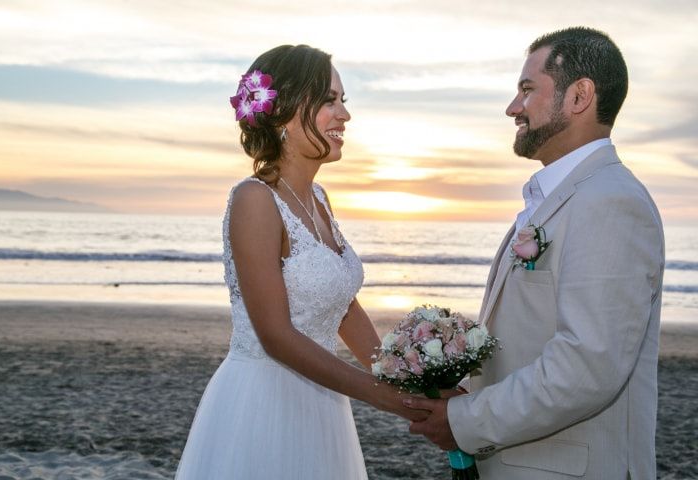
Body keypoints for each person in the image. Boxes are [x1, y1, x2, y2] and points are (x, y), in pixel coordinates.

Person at [405, 27, 665, 479]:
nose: (512, 107)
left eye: (527, 90)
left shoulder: (609, 202)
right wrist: (467, 390)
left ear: (579, 96)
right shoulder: (560, 196)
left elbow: (585, 366)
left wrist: (466, 421)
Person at [174, 44, 424, 480]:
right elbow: (276, 335)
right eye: (329, 100)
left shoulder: (320, 199)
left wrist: (402, 376)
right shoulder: (254, 200)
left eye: (344, 101)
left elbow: (341, 303)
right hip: (262, 402)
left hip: (323, 404)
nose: (344, 115)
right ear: (285, 109)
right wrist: (381, 395)